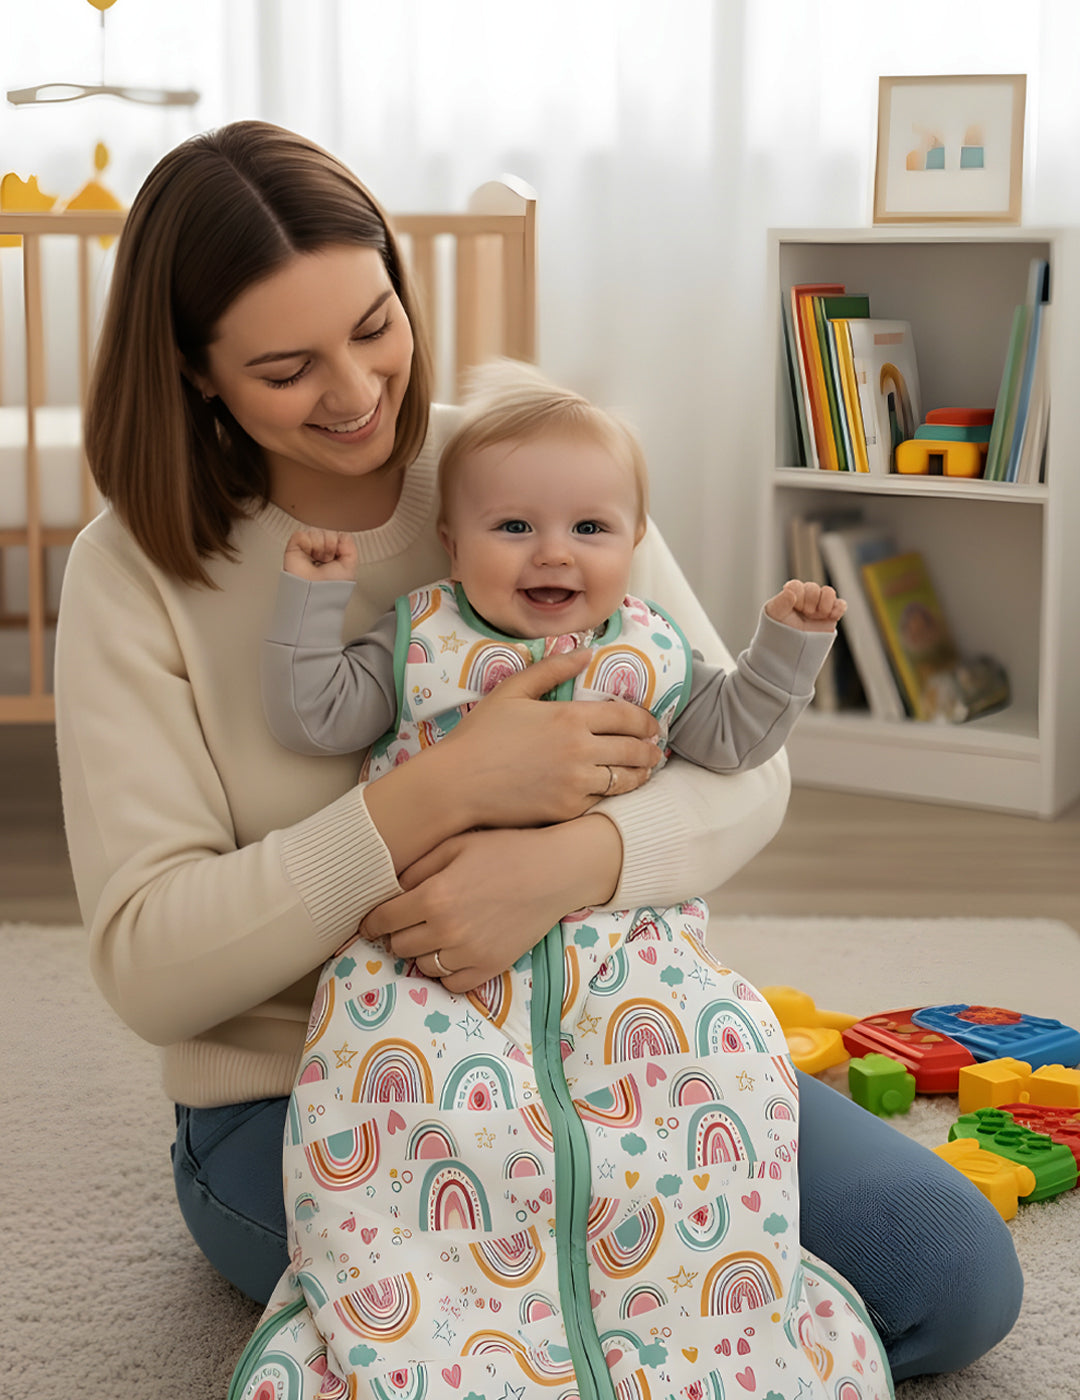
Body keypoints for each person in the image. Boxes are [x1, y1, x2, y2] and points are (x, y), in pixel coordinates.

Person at [52, 120, 1020, 1393]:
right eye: (286, 368)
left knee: (947, 1272)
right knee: (508, 1336)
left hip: (619, 1042)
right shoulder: (132, 574)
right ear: (194, 372)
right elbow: (148, 964)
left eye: (376, 326)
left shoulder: (528, 467)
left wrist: (570, 865)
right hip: (315, 1085)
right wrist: (442, 794)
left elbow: (741, 760)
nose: (354, 392)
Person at [246, 362, 892, 1398]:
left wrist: (787, 650)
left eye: (591, 528)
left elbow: (734, 741)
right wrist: (313, 600)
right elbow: (314, 714)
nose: (554, 551)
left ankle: (690, 1334)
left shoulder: (652, 648)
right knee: (430, 1131)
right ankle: (466, 1335)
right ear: (453, 541)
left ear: (635, 543)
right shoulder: (421, 639)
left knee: (728, 1069)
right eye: (514, 528)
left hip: (628, 965)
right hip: (432, 976)